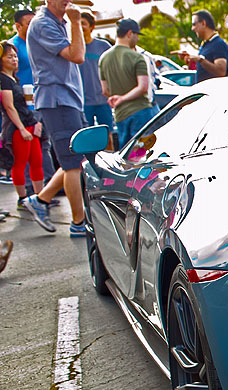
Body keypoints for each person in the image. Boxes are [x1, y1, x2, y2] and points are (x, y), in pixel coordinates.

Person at [22, 0, 87, 236]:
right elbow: (77, 55)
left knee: (77, 158)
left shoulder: (57, 23)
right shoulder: (43, 24)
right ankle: (78, 223)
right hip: (57, 100)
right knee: (72, 163)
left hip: (66, 99)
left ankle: (41, 200)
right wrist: (77, 21)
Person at [9, 8, 56, 204]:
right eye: (28, 24)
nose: (32, 28)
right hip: (23, 106)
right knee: (25, 152)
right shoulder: (12, 47)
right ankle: (29, 193)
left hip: (41, 100)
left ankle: (45, 189)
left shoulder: (36, 42)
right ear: (18, 26)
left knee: (43, 146)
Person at [99, 19, 159, 147]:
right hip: (141, 112)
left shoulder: (103, 58)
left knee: (127, 156)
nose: (137, 39)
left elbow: (104, 90)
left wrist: (117, 98)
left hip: (120, 115)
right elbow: (143, 87)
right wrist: (123, 98)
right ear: (130, 33)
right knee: (144, 153)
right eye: (137, 35)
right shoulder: (137, 57)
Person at [1, 42, 45, 202]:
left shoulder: (14, 79)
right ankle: (22, 198)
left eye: (15, 56)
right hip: (17, 127)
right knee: (20, 163)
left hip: (29, 123)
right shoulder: (3, 80)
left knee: (37, 161)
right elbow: (9, 107)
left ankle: (40, 198)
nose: (14, 59)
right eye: (9, 56)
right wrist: (21, 128)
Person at [78, 12, 114, 133]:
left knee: (107, 134)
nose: (80, 26)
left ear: (91, 26)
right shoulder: (73, 48)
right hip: (83, 102)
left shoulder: (104, 46)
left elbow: (114, 69)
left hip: (103, 100)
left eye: (83, 23)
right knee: (88, 136)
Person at [181, 10, 228, 82]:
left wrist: (200, 60)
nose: (192, 29)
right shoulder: (205, 45)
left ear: (203, 23)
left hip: (213, 91)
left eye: (194, 24)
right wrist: (190, 58)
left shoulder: (219, 44)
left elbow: (221, 72)